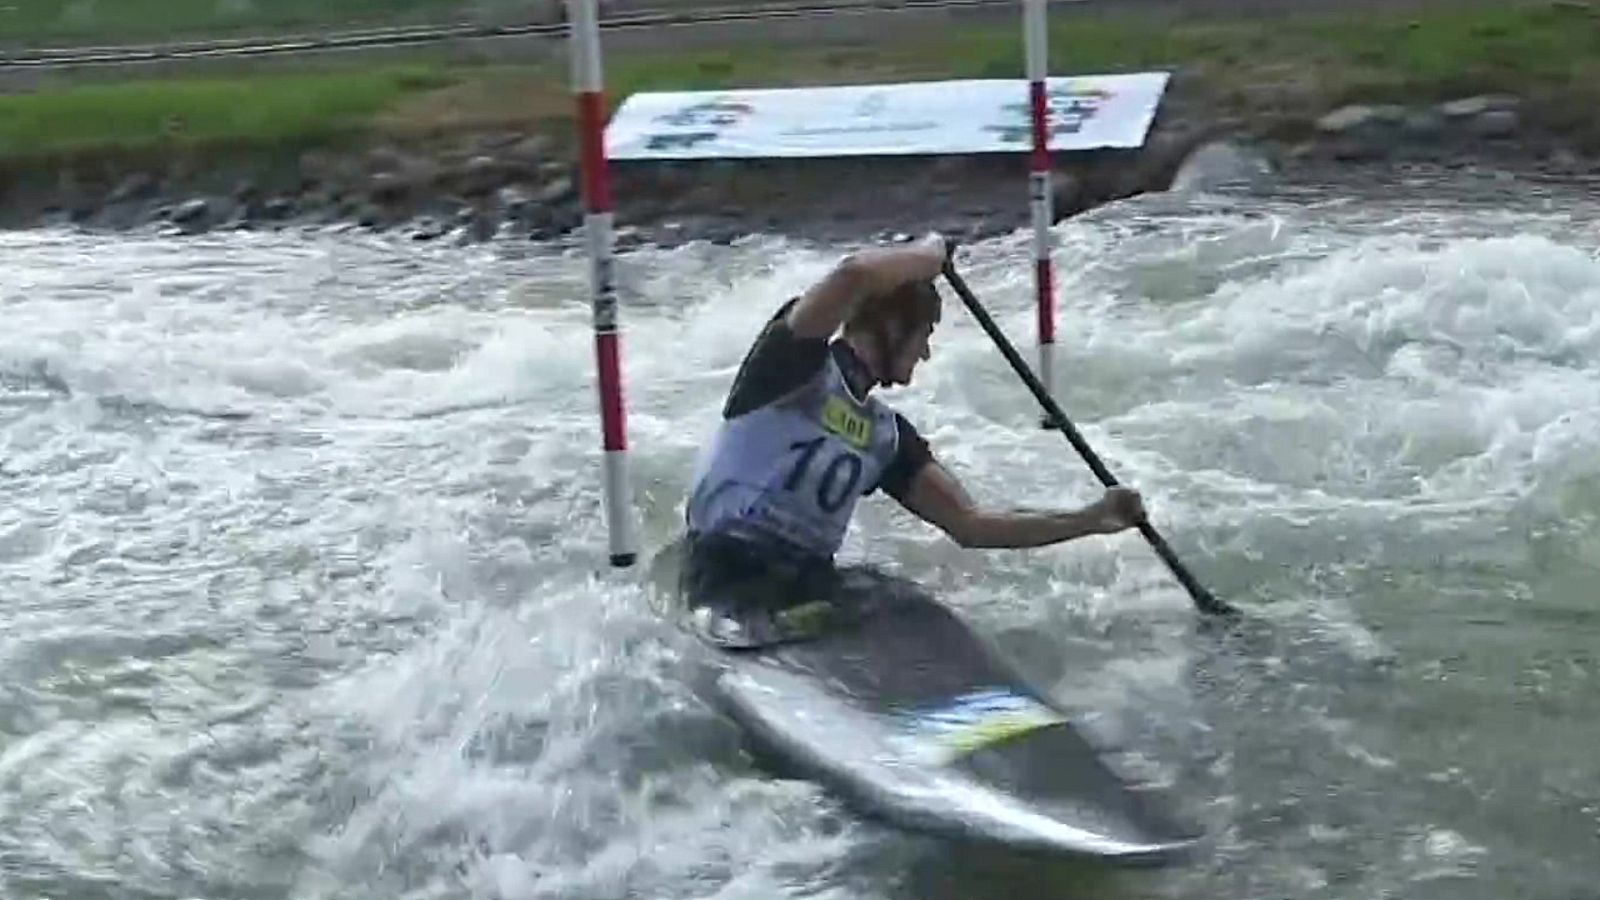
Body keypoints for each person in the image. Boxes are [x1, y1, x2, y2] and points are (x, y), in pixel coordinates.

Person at [678, 233, 1147, 648]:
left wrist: (1090, 519)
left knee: (897, 598)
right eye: (923, 335)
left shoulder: (887, 437)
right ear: (890, 327)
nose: (924, 351)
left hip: (801, 580)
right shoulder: (789, 366)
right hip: (726, 566)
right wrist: (931, 254)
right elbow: (857, 272)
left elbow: (972, 525)